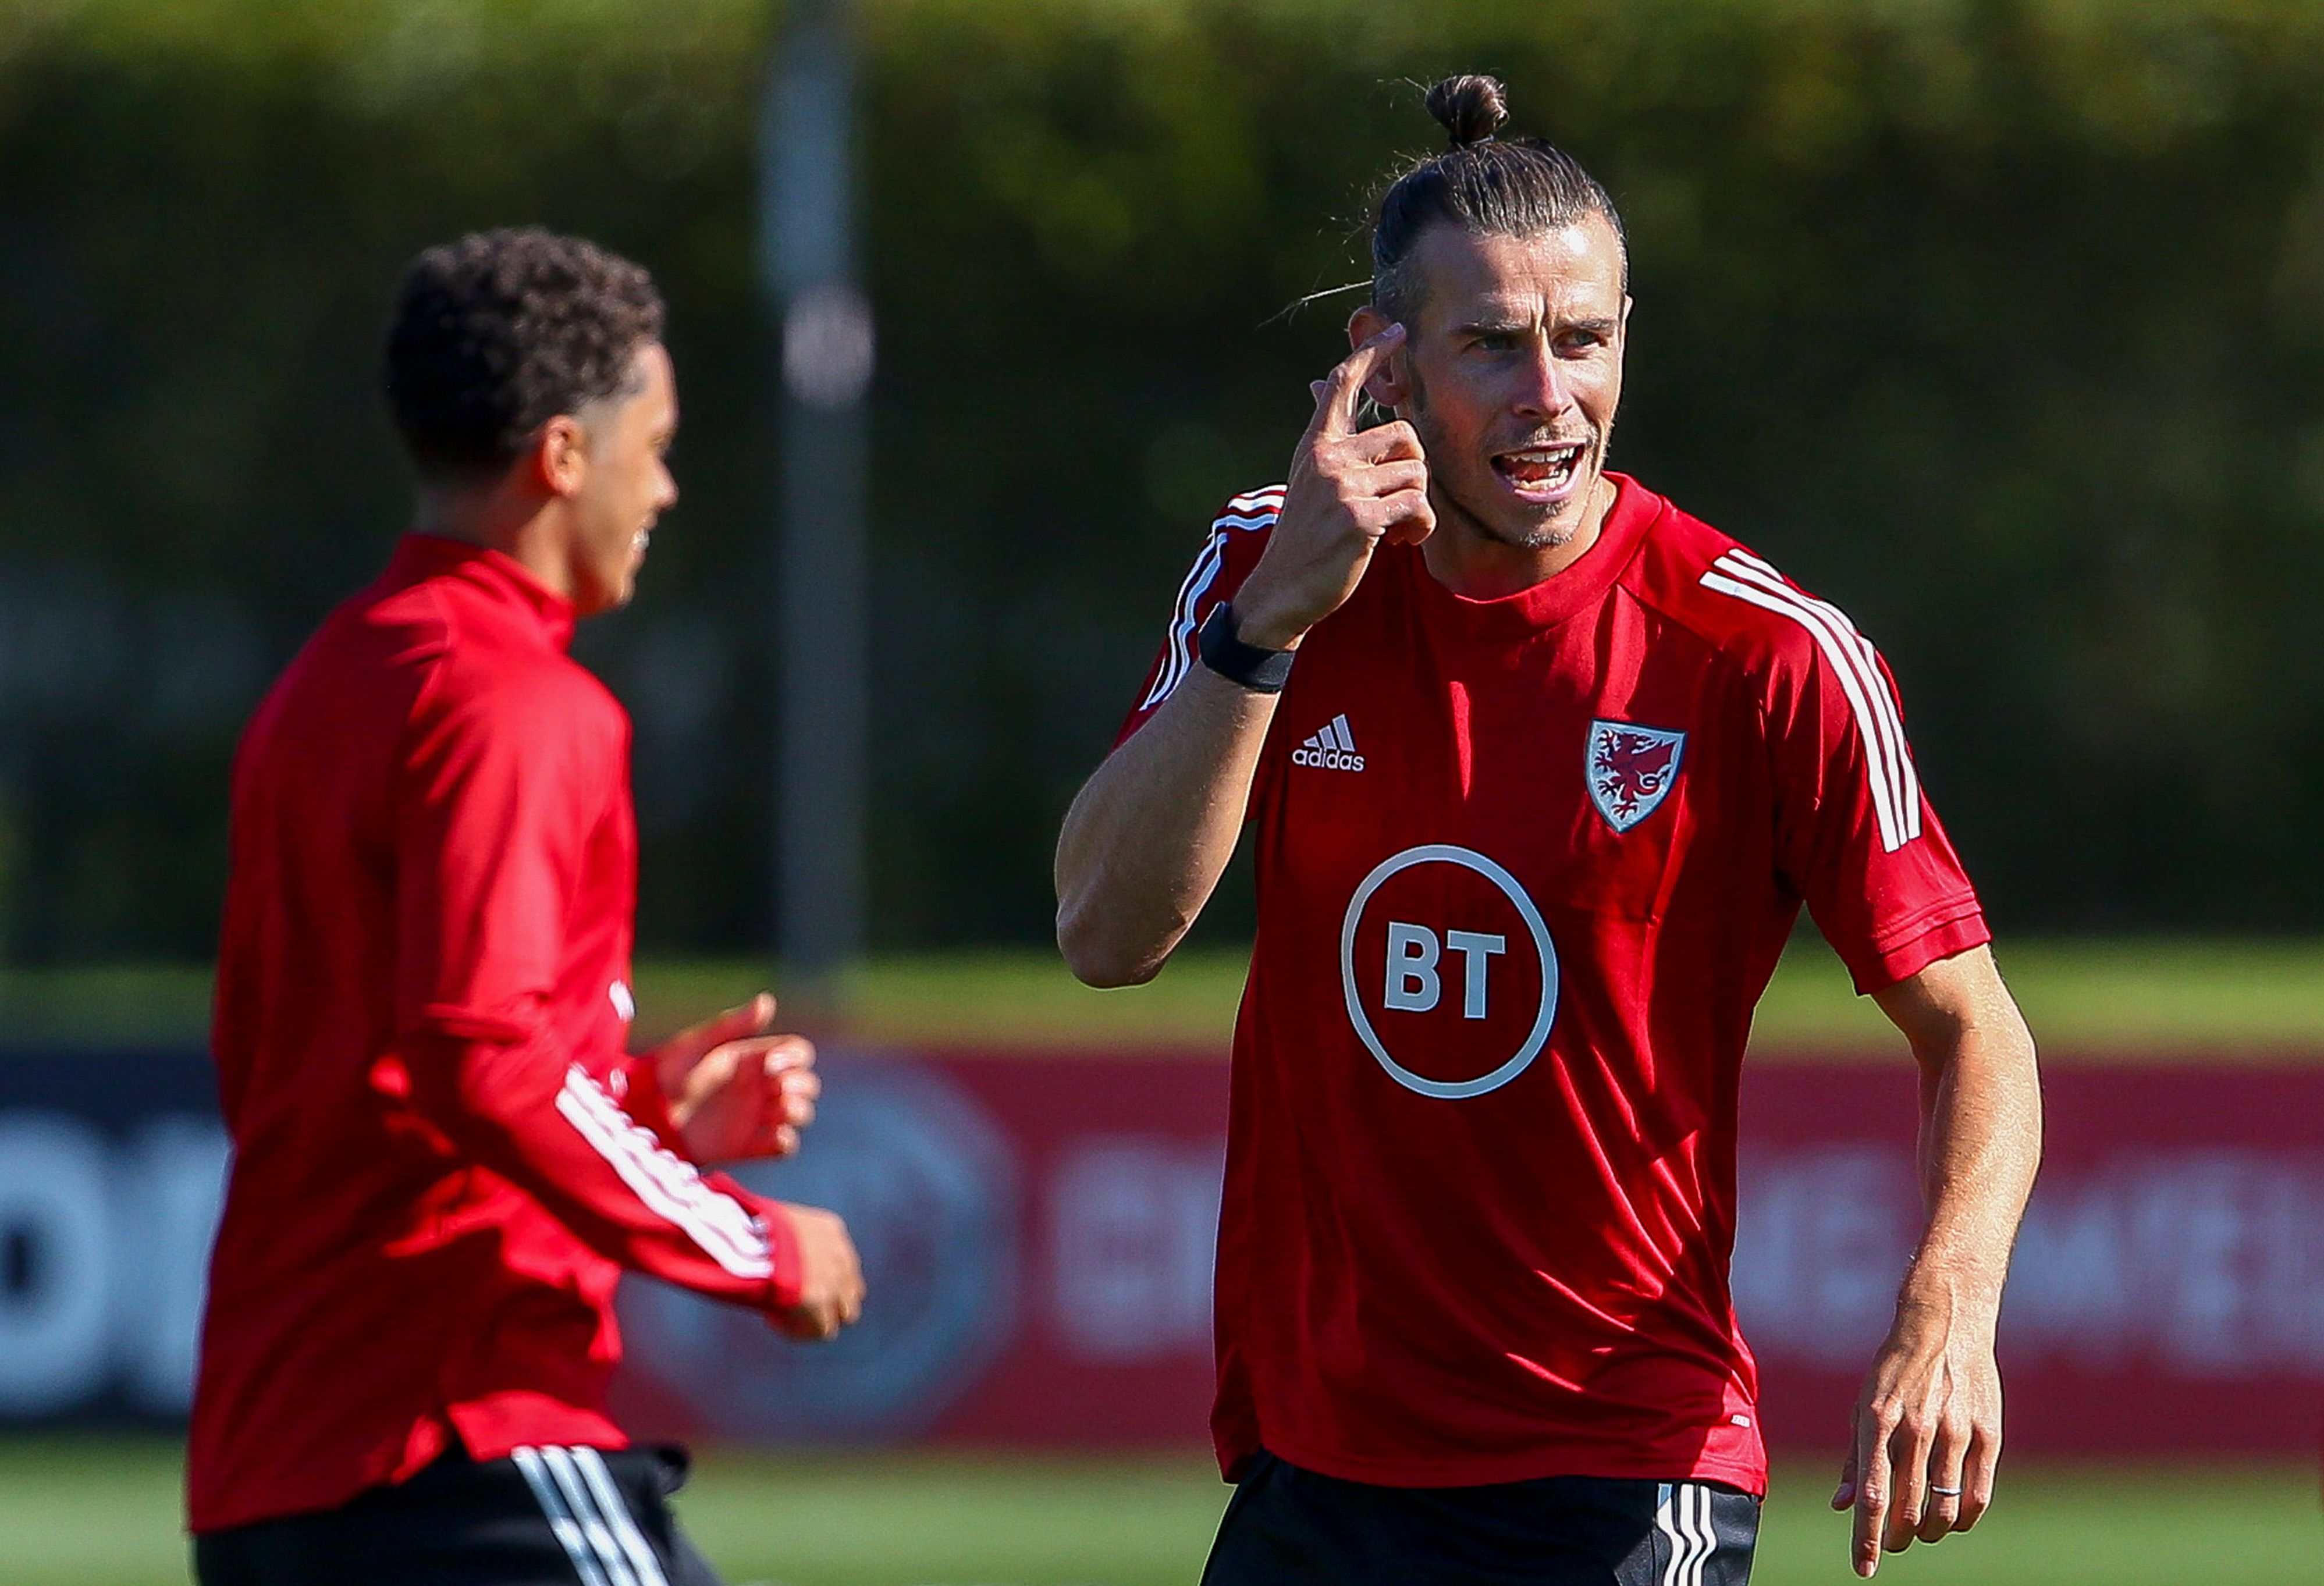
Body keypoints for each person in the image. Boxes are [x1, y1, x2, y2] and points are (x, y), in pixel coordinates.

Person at [1056, 76, 2041, 1584]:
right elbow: (1108, 934)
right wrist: (1266, 628)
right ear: (1385, 362)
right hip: (1319, 1453)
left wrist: (1950, 1307)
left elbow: (1977, 1029)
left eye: (1583, 341)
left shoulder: (1760, 654)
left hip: (1621, 1461)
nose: (1548, 394)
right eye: (1493, 345)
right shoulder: (1268, 566)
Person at [189, 227, 865, 1586]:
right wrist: (753, 1239)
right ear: (562, 455)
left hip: (274, 1472)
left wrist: (639, 1109)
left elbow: (359, 1067)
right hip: (456, 1442)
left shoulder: (331, 679)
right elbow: (476, 1058)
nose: (664, 486)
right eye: (654, 443)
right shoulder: (518, 702)